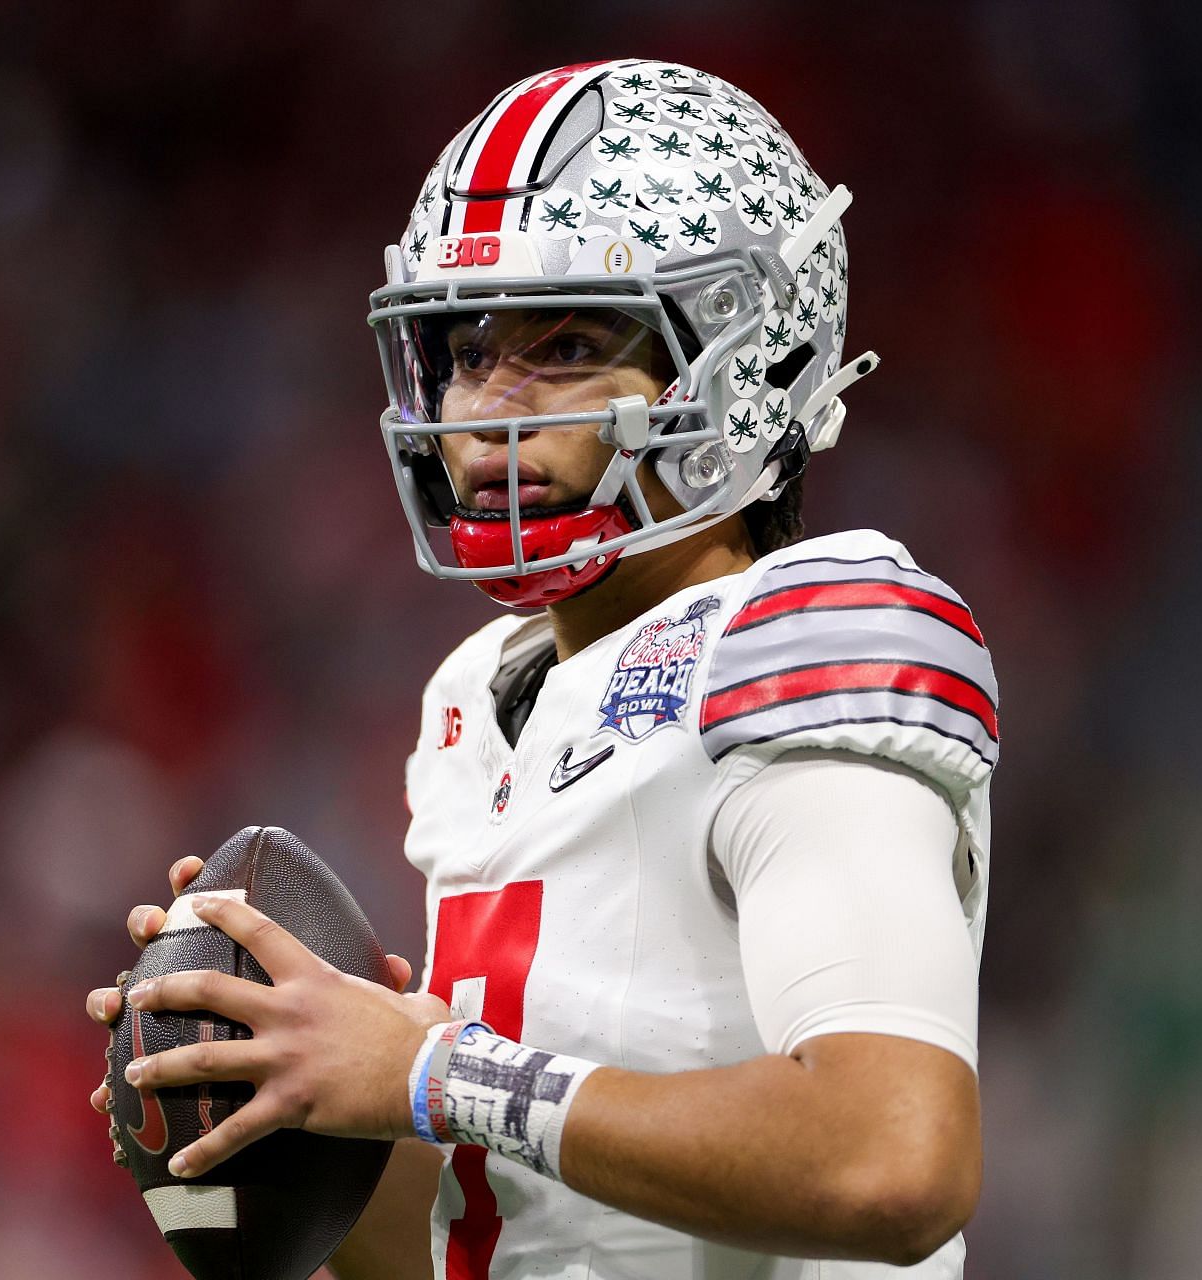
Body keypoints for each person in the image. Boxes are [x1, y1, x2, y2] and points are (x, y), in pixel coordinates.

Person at [88, 58, 997, 1278]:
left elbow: (893, 1160)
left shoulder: (807, 633)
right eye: (468, 347)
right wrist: (282, 1084)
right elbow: (512, 1238)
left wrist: (429, 1064)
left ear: (740, 364)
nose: (486, 408)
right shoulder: (475, 698)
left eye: (565, 341)